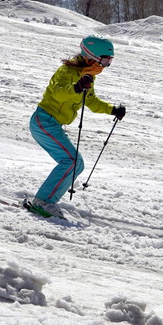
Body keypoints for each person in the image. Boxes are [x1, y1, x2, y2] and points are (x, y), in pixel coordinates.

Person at [29, 35, 126, 218]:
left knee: (76, 163)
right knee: (71, 161)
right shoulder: (67, 71)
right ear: (92, 56)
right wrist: (76, 87)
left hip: (53, 124)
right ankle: (43, 202)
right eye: (105, 60)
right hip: (43, 120)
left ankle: (47, 200)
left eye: (109, 61)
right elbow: (58, 93)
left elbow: (91, 101)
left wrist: (113, 110)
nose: (106, 65)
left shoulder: (87, 76)